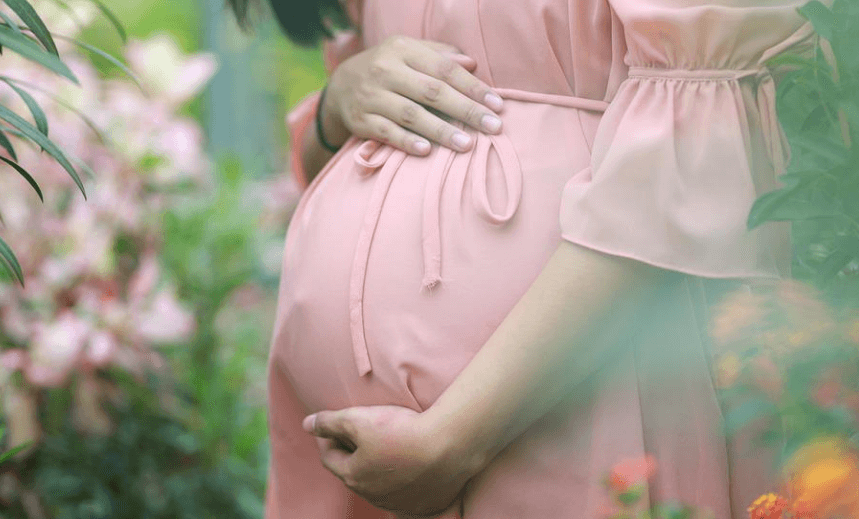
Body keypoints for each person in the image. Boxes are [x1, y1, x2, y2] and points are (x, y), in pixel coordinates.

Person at [229, 0, 817, 517]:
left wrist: (452, 441)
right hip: (360, 472)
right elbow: (331, 161)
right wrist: (339, 101)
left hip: (586, 389)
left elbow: (697, 163)